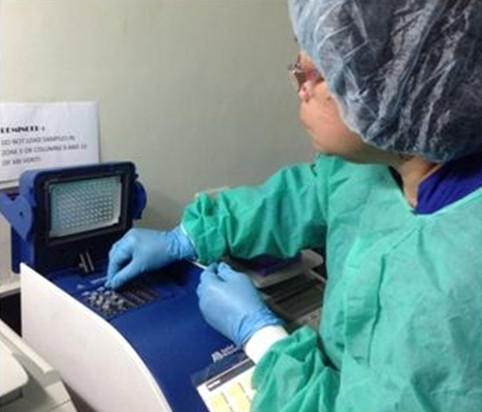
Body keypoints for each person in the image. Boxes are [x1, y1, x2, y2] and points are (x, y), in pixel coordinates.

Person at [106, 0, 482, 410]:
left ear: (403, 89)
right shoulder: (383, 162)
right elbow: (309, 192)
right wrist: (192, 234)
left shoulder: (460, 279)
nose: (298, 85)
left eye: (318, 72)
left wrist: (263, 340)